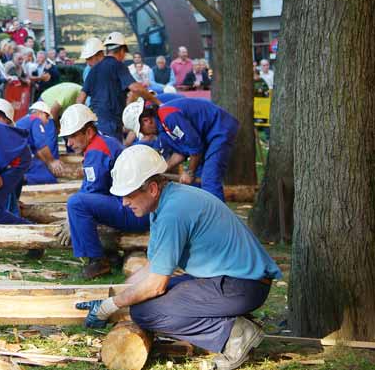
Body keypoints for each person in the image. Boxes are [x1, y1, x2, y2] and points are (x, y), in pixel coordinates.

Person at [77, 144, 282, 370]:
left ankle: (235, 333)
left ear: (152, 188)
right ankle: (229, 323)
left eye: (128, 195)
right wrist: (115, 296)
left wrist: (112, 305)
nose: (124, 202)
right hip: (232, 281)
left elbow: (155, 286)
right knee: (145, 301)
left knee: (145, 312)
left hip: (244, 286)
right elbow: (153, 267)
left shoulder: (173, 213)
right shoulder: (166, 203)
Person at [57, 104, 149, 278]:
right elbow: (91, 188)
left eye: (72, 137)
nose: (69, 143)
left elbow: (90, 194)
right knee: (80, 203)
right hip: (137, 207)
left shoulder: (97, 151)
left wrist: (71, 219)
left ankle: (97, 261)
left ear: (89, 132)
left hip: (135, 211)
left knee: (76, 204)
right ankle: (110, 254)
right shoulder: (103, 142)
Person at [123, 97, 238, 201]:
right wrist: (160, 170)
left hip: (219, 128)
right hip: (205, 136)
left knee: (209, 180)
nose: (144, 134)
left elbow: (195, 147)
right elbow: (181, 152)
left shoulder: (169, 117)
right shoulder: (163, 128)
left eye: (141, 130)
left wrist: (189, 172)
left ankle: (218, 220)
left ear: (147, 120)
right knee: (195, 182)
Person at [77, 32, 158, 141]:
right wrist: (156, 101)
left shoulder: (93, 70)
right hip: (111, 123)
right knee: (115, 155)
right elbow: (135, 88)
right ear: (121, 51)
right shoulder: (118, 65)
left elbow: (80, 100)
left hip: (96, 123)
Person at [15, 101, 62, 185]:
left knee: (42, 167)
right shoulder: (36, 120)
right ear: (39, 113)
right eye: (47, 116)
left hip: (15, 158)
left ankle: (21, 177)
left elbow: (37, 151)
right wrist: (52, 162)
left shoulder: (25, 121)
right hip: (18, 159)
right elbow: (41, 145)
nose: (47, 121)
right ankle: (22, 179)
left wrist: (48, 163)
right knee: (50, 178)